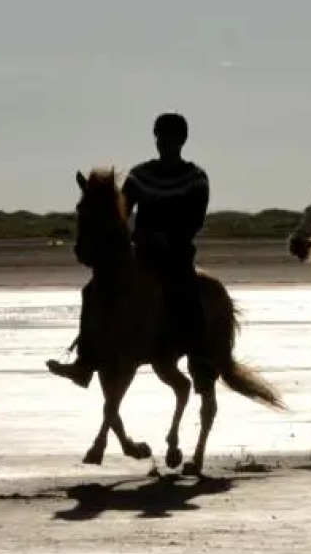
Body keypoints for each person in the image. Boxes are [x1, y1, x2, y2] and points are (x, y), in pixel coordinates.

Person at [47, 112, 212, 387]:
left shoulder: (195, 177)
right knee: (92, 290)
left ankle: (201, 359)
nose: (164, 143)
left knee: (186, 291)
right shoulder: (139, 175)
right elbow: (122, 213)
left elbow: (196, 218)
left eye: (170, 138)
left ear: (182, 140)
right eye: (160, 137)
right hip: (143, 251)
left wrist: (170, 238)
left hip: (176, 253)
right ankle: (84, 362)